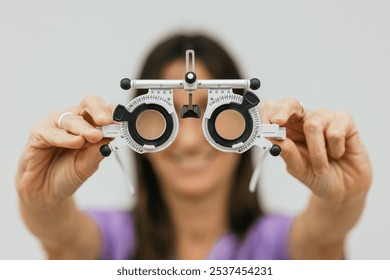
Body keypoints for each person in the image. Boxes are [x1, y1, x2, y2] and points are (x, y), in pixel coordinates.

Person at [15, 34, 372, 260]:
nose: (186, 139)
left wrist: (343, 198)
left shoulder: (275, 244)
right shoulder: (112, 239)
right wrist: (42, 200)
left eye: (212, 114)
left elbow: (322, 239)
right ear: (133, 126)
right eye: (162, 115)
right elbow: (61, 237)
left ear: (248, 123)